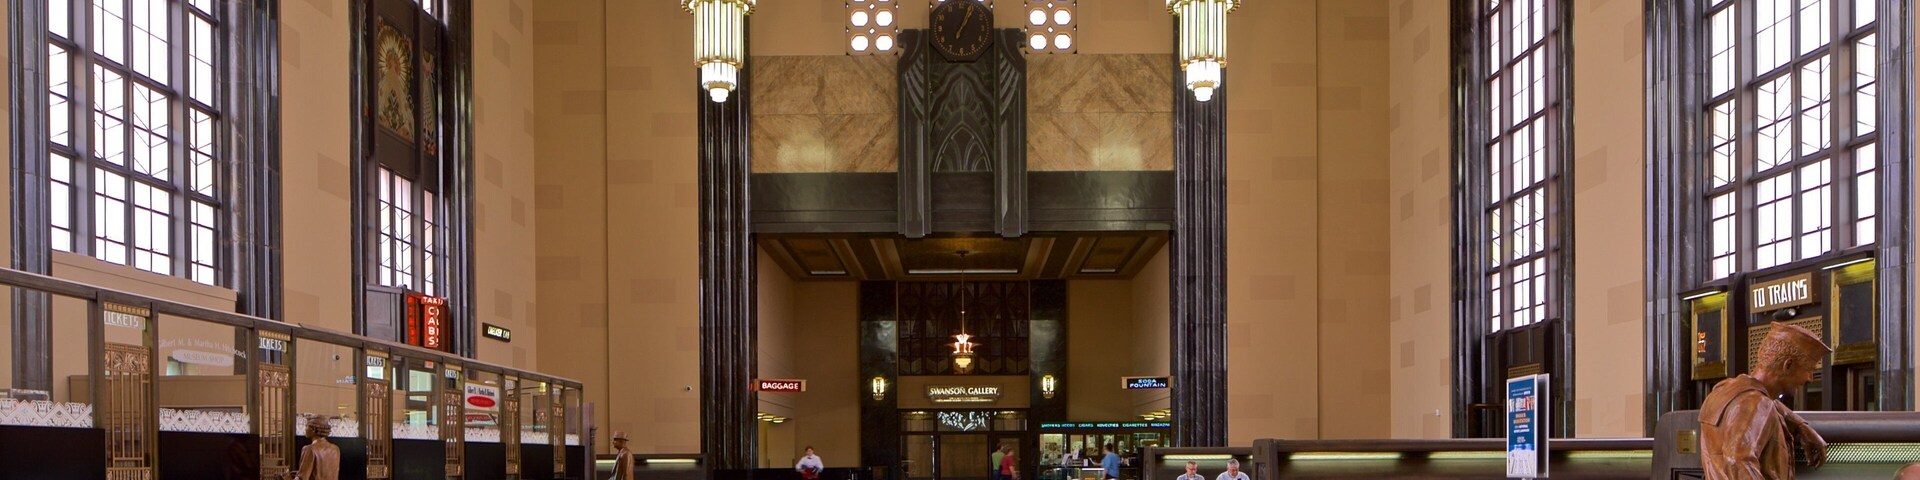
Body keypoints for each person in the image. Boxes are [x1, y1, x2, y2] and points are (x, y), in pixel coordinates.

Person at [1699, 321, 1831, 480]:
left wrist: (1799, 425)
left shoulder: (1725, 390)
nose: (1809, 378)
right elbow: (1737, 461)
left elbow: (1758, 400)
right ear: (1787, 366)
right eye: (1808, 370)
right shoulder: (1757, 403)